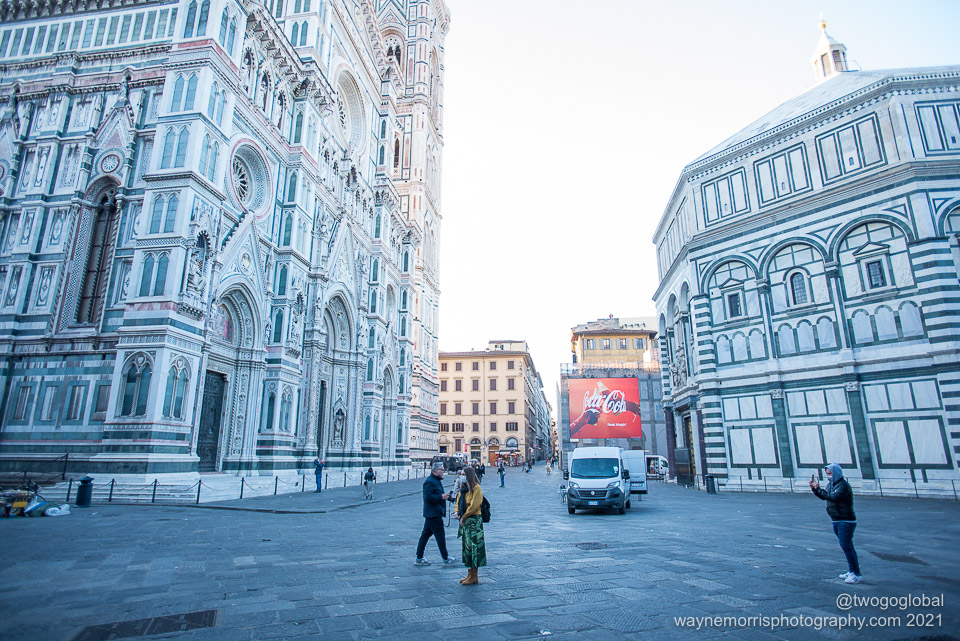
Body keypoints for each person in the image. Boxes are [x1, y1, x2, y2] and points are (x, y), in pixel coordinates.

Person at [810, 463, 861, 584]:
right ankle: (852, 571)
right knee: (847, 546)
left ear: (836, 473)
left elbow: (833, 497)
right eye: (827, 474)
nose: (828, 476)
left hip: (846, 520)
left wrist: (818, 488)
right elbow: (825, 497)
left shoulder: (843, 486)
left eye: (830, 473)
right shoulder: (831, 484)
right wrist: (815, 489)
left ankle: (855, 574)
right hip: (836, 519)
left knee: (846, 546)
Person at [415, 462, 457, 566]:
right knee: (440, 536)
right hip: (433, 513)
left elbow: (439, 494)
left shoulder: (436, 481)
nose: (443, 471)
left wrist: (450, 498)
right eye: (442, 470)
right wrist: (441, 497)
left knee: (425, 535)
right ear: (436, 471)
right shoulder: (429, 482)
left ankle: (419, 557)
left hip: (433, 513)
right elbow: (428, 498)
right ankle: (445, 557)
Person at [456, 465, 486, 585]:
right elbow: (458, 502)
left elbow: (474, 505)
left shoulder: (476, 488)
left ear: (469, 475)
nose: (461, 476)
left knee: (474, 548)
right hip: (466, 521)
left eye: (463, 475)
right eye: (461, 475)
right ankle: (469, 574)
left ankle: (474, 576)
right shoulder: (463, 489)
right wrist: (456, 512)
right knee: (467, 548)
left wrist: (464, 516)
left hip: (474, 521)